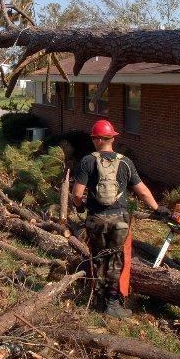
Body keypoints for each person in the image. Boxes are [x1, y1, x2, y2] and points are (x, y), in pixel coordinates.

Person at [72, 119, 167, 318]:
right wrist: (158, 209)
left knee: (98, 258)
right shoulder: (125, 162)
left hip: (96, 219)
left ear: (96, 140)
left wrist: (80, 206)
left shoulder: (88, 161)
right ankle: (112, 304)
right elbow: (142, 191)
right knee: (115, 261)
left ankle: (99, 300)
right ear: (112, 138)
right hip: (120, 221)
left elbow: (77, 194)